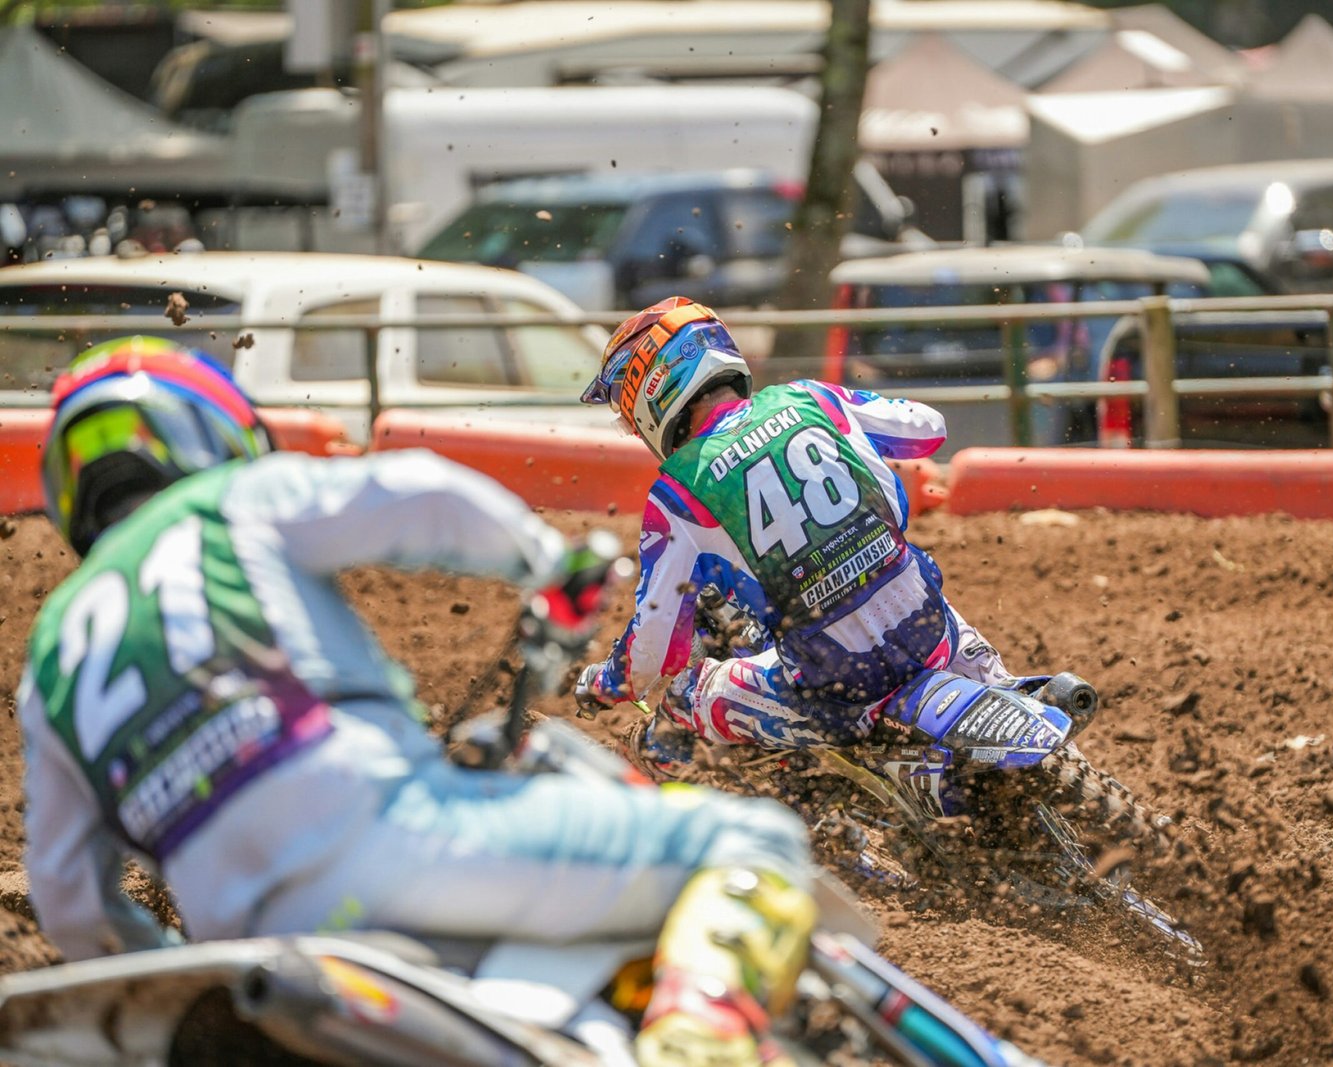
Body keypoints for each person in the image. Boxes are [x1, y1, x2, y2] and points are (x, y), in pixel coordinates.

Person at [19, 336, 817, 1067]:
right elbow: (421, 492)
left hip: (244, 943)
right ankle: (701, 1047)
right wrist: (549, 562)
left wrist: (175, 972)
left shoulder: (50, 651)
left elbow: (69, 898)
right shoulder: (232, 502)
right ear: (208, 430)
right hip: (397, 838)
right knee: (750, 838)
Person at [573, 297, 1080, 764]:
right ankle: (1016, 710)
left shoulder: (678, 491)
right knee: (915, 589)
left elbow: (656, 647)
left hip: (835, 686)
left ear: (651, 392)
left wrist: (606, 682)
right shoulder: (811, 397)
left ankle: (801, 823)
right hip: (931, 631)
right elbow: (928, 428)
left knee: (686, 694)